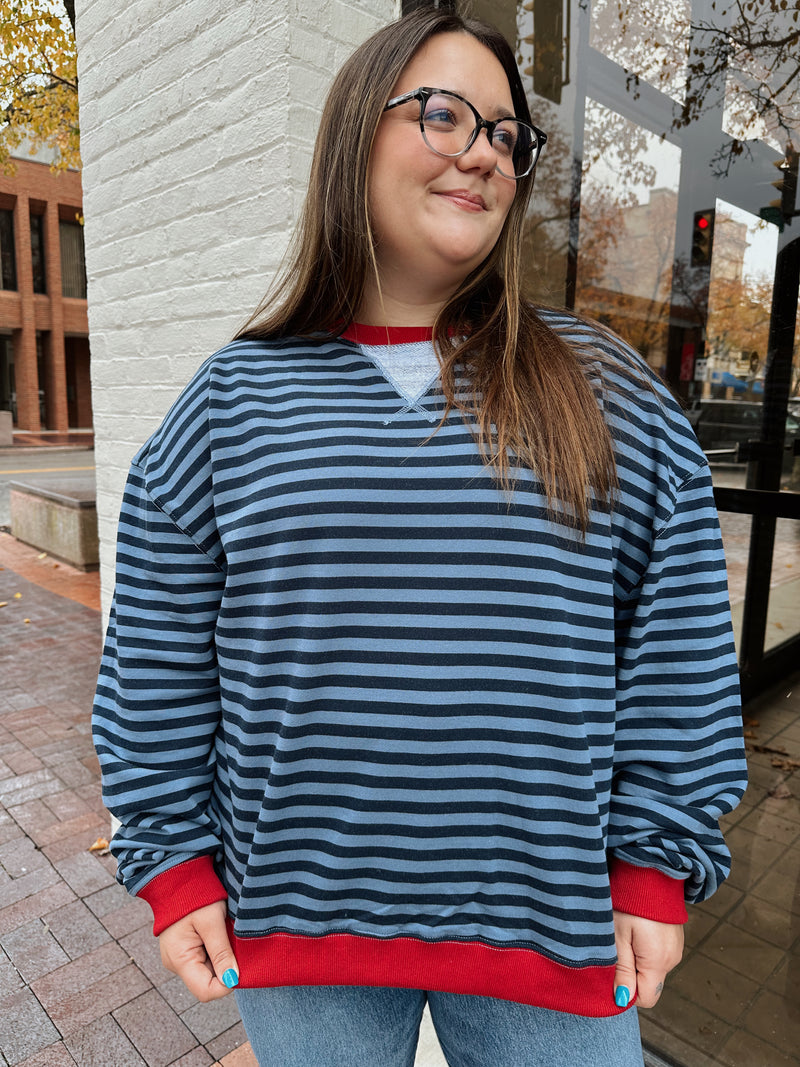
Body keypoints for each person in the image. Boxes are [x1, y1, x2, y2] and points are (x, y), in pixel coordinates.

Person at [92, 8, 748, 1066]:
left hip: (556, 935)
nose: (483, 151)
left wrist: (652, 865)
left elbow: (673, 653)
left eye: (505, 134)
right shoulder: (233, 400)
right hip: (301, 931)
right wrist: (173, 869)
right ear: (355, 133)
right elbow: (156, 663)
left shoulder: (601, 390)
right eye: (443, 114)